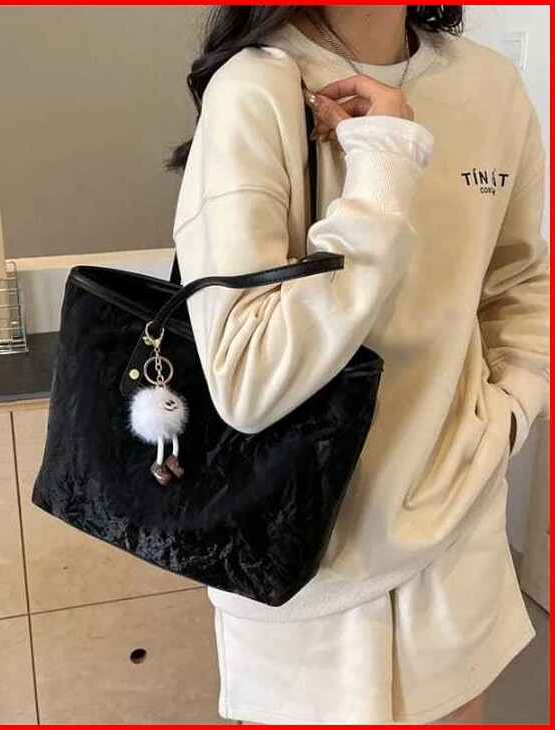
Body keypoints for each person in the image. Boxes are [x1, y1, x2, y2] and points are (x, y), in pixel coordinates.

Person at [164, 5, 550, 725]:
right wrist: (385, 161)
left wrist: (508, 415)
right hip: (306, 565)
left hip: (460, 533)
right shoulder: (255, 88)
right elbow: (248, 379)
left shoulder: (491, 85)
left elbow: (520, 281)